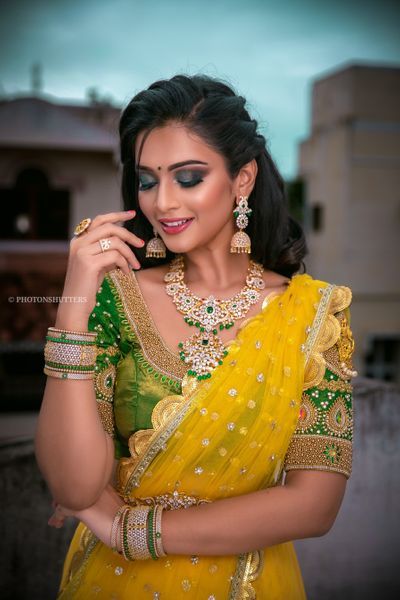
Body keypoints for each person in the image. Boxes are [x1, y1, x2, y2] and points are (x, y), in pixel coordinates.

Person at [35, 74, 357, 599]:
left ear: (243, 179)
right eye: (146, 180)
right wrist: (73, 311)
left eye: (187, 178)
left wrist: (133, 531)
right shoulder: (115, 301)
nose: (161, 203)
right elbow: (73, 487)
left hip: (250, 585)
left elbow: (314, 504)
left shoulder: (314, 315)